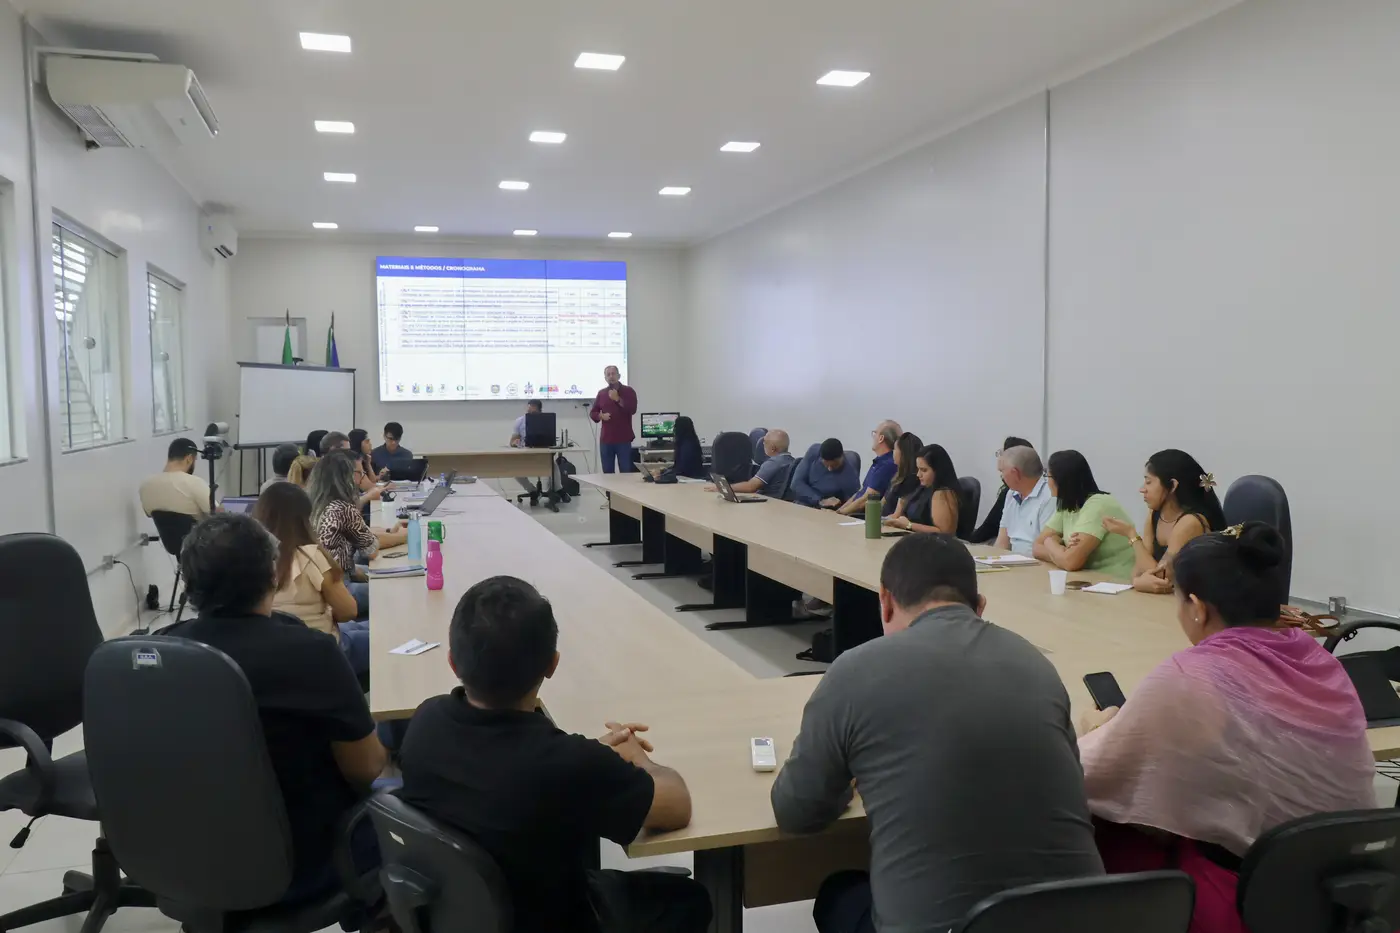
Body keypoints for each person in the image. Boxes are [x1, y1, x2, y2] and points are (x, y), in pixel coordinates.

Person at [772, 534, 1102, 933]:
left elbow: (796, 812)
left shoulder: (854, 670)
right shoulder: (1038, 666)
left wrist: (849, 781)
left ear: (885, 601)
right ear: (979, 607)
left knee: (839, 894)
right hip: (1082, 920)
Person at [1077, 523, 1375, 933]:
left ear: (1197, 607)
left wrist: (1095, 728)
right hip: (1345, 895)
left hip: (1251, 900)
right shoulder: (1321, 661)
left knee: (1104, 824)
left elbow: (1085, 773)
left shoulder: (1192, 676)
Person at [398, 576, 711, 933]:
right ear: (552, 664)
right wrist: (638, 757)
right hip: (554, 919)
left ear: (453, 663)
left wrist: (591, 757)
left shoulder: (425, 723)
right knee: (689, 900)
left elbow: (519, 770)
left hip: (460, 915)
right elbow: (677, 805)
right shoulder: (567, 766)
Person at [163, 514, 386, 904]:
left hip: (184, 860)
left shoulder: (158, 653)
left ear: (188, 582)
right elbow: (367, 769)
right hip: (303, 862)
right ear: (273, 576)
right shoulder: (312, 653)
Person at [253, 482, 370, 680]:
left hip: (275, 656)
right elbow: (348, 611)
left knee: (360, 627)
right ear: (304, 518)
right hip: (323, 652)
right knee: (383, 635)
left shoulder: (248, 560)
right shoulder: (310, 557)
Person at [1100, 449, 1225, 594]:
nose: (1142, 489)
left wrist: (1131, 535)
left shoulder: (1190, 522)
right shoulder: (1154, 514)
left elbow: (1162, 577)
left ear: (1172, 485)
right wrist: (1138, 580)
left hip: (1196, 599)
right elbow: (1139, 571)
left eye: (1148, 482)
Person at [309, 449, 407, 617]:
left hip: (320, 585)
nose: (361, 479)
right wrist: (405, 536)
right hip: (340, 590)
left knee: (384, 576)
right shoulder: (343, 508)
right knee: (395, 590)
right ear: (346, 477)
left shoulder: (315, 504)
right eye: (360, 474)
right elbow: (371, 551)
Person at [1033, 450, 1136, 580]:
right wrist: (1061, 551)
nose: (1047, 482)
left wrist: (1050, 542)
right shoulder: (1068, 504)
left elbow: (1070, 562)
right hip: (1087, 579)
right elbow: (1037, 547)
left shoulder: (1098, 504)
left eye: (1048, 476)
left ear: (1061, 480)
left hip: (1117, 581)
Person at [882, 444, 960, 535]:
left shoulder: (942, 493)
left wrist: (908, 525)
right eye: (918, 469)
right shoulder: (925, 487)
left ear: (938, 470)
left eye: (924, 470)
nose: (918, 474)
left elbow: (944, 533)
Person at [993, 445, 1056, 556]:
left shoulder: (1049, 496)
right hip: (1012, 561)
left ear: (1015, 473)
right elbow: (1002, 542)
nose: (1002, 476)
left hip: (1038, 562)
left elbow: (1047, 547)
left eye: (1002, 471)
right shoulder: (1011, 494)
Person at [970, 437, 1034, 543]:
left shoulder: (1010, 492)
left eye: (1002, 454)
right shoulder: (1011, 493)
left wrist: (969, 542)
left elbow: (989, 527)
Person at [140, 437, 217, 517]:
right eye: (195, 460)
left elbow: (148, 514)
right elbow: (220, 515)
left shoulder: (145, 485)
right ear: (189, 459)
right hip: (197, 525)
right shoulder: (195, 483)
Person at [837, 421, 901, 516]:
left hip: (863, 517)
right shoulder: (879, 461)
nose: (873, 437)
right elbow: (860, 492)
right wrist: (839, 511)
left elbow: (866, 499)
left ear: (881, 438)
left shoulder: (887, 465)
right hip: (851, 513)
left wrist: (841, 514)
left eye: (875, 433)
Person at [589, 364, 638, 474]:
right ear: (605, 378)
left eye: (613, 374)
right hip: (606, 440)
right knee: (607, 474)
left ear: (619, 376)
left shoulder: (629, 391)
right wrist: (600, 416)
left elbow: (632, 409)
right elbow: (593, 413)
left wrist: (618, 399)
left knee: (626, 473)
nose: (611, 376)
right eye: (608, 374)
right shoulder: (602, 393)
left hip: (624, 439)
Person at [722, 429, 796, 495]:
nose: (763, 444)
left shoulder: (772, 463)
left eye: (765, 442)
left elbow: (750, 487)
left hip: (767, 501)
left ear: (773, 448)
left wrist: (724, 487)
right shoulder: (794, 462)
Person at [791, 439, 859, 509]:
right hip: (802, 503)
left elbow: (854, 501)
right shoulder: (814, 452)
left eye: (834, 466)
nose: (830, 469)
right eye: (826, 465)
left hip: (825, 509)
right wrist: (819, 499)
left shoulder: (850, 475)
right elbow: (796, 484)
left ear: (842, 457)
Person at [876, 432, 923, 517]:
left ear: (903, 453)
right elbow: (882, 503)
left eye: (894, 449)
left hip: (891, 523)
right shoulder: (897, 476)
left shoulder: (911, 481)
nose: (893, 452)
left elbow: (897, 515)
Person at [511, 400, 547, 496]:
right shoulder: (520, 421)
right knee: (514, 469)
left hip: (542, 452)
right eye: (529, 410)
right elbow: (513, 440)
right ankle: (532, 490)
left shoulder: (546, 421)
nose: (530, 413)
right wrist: (515, 442)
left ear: (539, 410)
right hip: (524, 453)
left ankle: (558, 490)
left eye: (533, 412)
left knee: (553, 465)